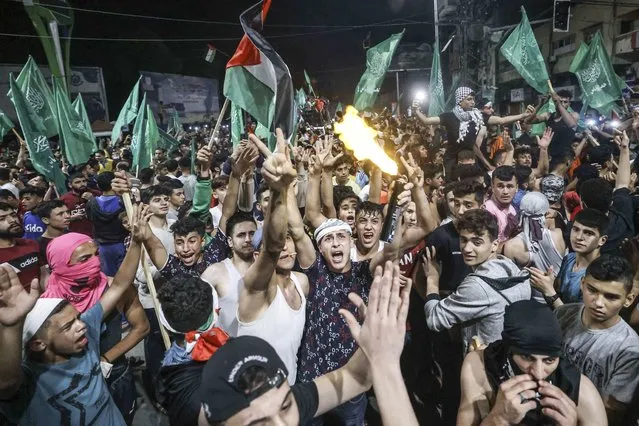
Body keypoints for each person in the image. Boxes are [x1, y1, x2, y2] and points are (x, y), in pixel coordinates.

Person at [197, 260, 418, 426]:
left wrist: (381, 357)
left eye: (286, 407)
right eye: (259, 424)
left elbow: (356, 377)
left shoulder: (281, 399)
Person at [0, 212, 144, 425]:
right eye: (69, 325)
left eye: (78, 318)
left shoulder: (87, 335)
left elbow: (120, 285)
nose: (81, 326)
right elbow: (6, 384)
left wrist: (137, 242)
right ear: (38, 344)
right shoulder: (32, 379)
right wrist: (12, 327)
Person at [40, 231, 150, 423]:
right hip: (69, 384)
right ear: (59, 265)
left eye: (96, 254)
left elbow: (141, 327)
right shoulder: (49, 302)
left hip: (114, 373)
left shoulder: (111, 288)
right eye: (84, 258)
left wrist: (105, 359)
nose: (96, 262)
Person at [457, 300, 607, 426]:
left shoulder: (582, 392)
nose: (539, 373)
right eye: (528, 358)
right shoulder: (480, 366)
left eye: (549, 360)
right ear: (509, 351)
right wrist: (498, 419)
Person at [236, 129, 309, 384]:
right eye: (283, 240)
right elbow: (272, 247)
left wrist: (288, 187)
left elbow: (296, 232)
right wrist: (277, 191)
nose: (287, 248)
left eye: (290, 240)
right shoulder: (255, 288)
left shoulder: (302, 283)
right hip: (254, 402)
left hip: (288, 394)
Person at [421, 209, 531, 352]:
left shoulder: (477, 286)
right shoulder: (513, 268)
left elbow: (434, 319)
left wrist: (432, 279)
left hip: (485, 365)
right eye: (463, 240)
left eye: (477, 242)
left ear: (495, 245)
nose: (467, 248)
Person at [555, 255, 639, 424]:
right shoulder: (562, 313)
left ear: (628, 299)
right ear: (582, 283)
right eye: (592, 290)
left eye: (611, 297)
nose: (598, 303)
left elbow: (611, 412)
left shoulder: (629, 349)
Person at [528, 208, 608, 307]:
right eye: (575, 229)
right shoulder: (569, 258)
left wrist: (549, 290)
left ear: (602, 240)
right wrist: (546, 282)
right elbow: (557, 292)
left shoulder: (599, 275)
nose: (579, 237)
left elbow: (576, 318)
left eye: (588, 233)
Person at [578, 131, 634, 255]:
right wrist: (624, 149)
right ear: (611, 201)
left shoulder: (578, 232)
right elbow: (622, 184)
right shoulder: (622, 214)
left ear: (583, 204)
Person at [504, 192, 566, 278]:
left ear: (521, 213)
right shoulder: (558, 234)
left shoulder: (511, 246)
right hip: (557, 290)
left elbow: (512, 279)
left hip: (530, 290)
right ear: (547, 213)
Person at [86, 172, 128, 276]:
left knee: (107, 279)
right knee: (126, 278)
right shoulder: (124, 202)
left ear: (98, 186)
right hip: (122, 244)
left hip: (102, 247)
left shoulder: (92, 203)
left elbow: (90, 219)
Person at [0, 202, 47, 291]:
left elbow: (44, 275)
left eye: (13, 215)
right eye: (2, 219)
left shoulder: (30, 244)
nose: (12, 220)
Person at [531, 90, 580, 160]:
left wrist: (558, 103)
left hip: (565, 156)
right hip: (549, 155)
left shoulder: (574, 115)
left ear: (569, 104)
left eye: (565, 102)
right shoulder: (548, 115)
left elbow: (571, 124)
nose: (562, 103)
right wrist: (540, 104)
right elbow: (529, 121)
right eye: (560, 101)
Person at [483, 165, 518, 243]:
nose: (505, 192)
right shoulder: (488, 210)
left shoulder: (512, 209)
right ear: (492, 187)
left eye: (510, 186)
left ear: (517, 188)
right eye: (500, 186)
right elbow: (488, 245)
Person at [60, 172, 100, 237]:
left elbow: (106, 212)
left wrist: (93, 199)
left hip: (97, 235)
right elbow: (58, 219)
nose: (82, 184)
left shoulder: (96, 194)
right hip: (76, 236)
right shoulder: (64, 199)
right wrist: (71, 218)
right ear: (70, 185)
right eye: (77, 182)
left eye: (84, 181)